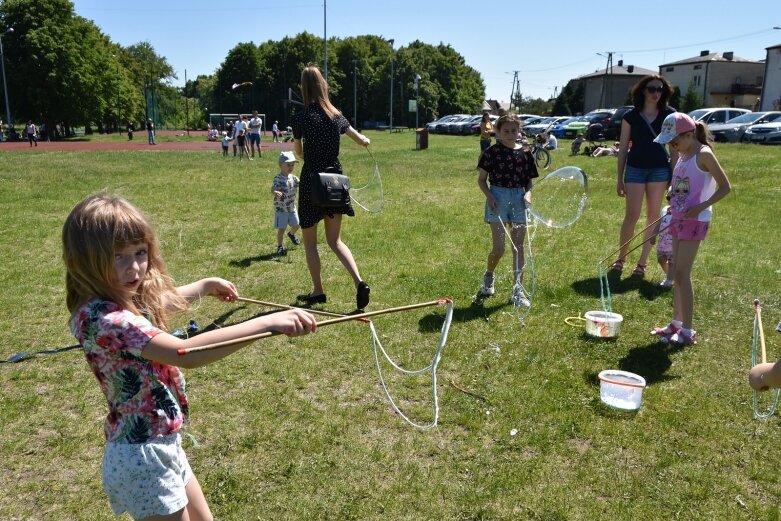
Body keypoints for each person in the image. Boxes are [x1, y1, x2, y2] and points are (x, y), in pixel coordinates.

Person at [62, 194, 317, 520]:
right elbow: (185, 353)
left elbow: (156, 303)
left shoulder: (109, 299)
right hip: (143, 457)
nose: (135, 267)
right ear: (85, 260)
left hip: (160, 443)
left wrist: (206, 285)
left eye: (140, 253)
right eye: (119, 257)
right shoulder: (108, 319)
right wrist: (267, 324)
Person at [292, 64, 372, 310]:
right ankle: (359, 282)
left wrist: (310, 156)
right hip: (335, 182)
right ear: (322, 85)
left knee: (310, 244)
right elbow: (361, 140)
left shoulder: (301, 117)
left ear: (304, 89)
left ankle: (318, 290)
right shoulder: (336, 115)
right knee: (335, 241)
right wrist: (366, 140)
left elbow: (298, 151)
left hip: (311, 183)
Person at [649, 112, 731, 346]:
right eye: (670, 144)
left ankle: (688, 330)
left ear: (689, 134)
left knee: (683, 273)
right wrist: (673, 195)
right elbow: (682, 185)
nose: (673, 147)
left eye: (675, 141)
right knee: (676, 273)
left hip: (696, 221)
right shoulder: (683, 155)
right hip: (678, 218)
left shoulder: (703, 154)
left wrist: (700, 207)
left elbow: (726, 187)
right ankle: (676, 323)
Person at [611, 74, 676, 277]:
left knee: (653, 217)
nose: (656, 93)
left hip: (659, 170)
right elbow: (622, 149)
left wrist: (673, 177)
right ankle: (621, 258)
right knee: (631, 215)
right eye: (652, 89)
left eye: (660, 89)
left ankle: (642, 263)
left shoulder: (670, 115)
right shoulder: (631, 116)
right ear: (643, 91)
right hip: (635, 169)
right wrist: (619, 178)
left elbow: (674, 149)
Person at [476, 113, 539, 308]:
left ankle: (517, 291)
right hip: (498, 199)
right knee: (499, 248)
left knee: (518, 247)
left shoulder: (526, 153)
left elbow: (529, 182)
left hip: (519, 200)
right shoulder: (492, 153)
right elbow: (481, 180)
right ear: (497, 131)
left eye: (514, 130)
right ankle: (489, 275)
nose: (511, 134)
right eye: (506, 131)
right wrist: (490, 196)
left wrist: (528, 194)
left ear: (519, 130)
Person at [272, 151, 302, 256]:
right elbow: (273, 188)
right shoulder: (278, 178)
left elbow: (301, 184)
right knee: (282, 229)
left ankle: (292, 234)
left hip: (292, 207)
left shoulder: (293, 178)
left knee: (297, 224)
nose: (291, 167)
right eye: (288, 164)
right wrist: (275, 191)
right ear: (280, 165)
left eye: (292, 165)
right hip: (281, 209)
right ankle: (280, 247)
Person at [653, 192, 674, 288]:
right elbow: (659, 222)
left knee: (672, 262)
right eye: (670, 197)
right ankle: (670, 275)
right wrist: (653, 235)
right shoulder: (665, 210)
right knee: (661, 259)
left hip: (673, 244)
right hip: (662, 242)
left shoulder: (681, 212)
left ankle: (669, 280)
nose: (671, 200)